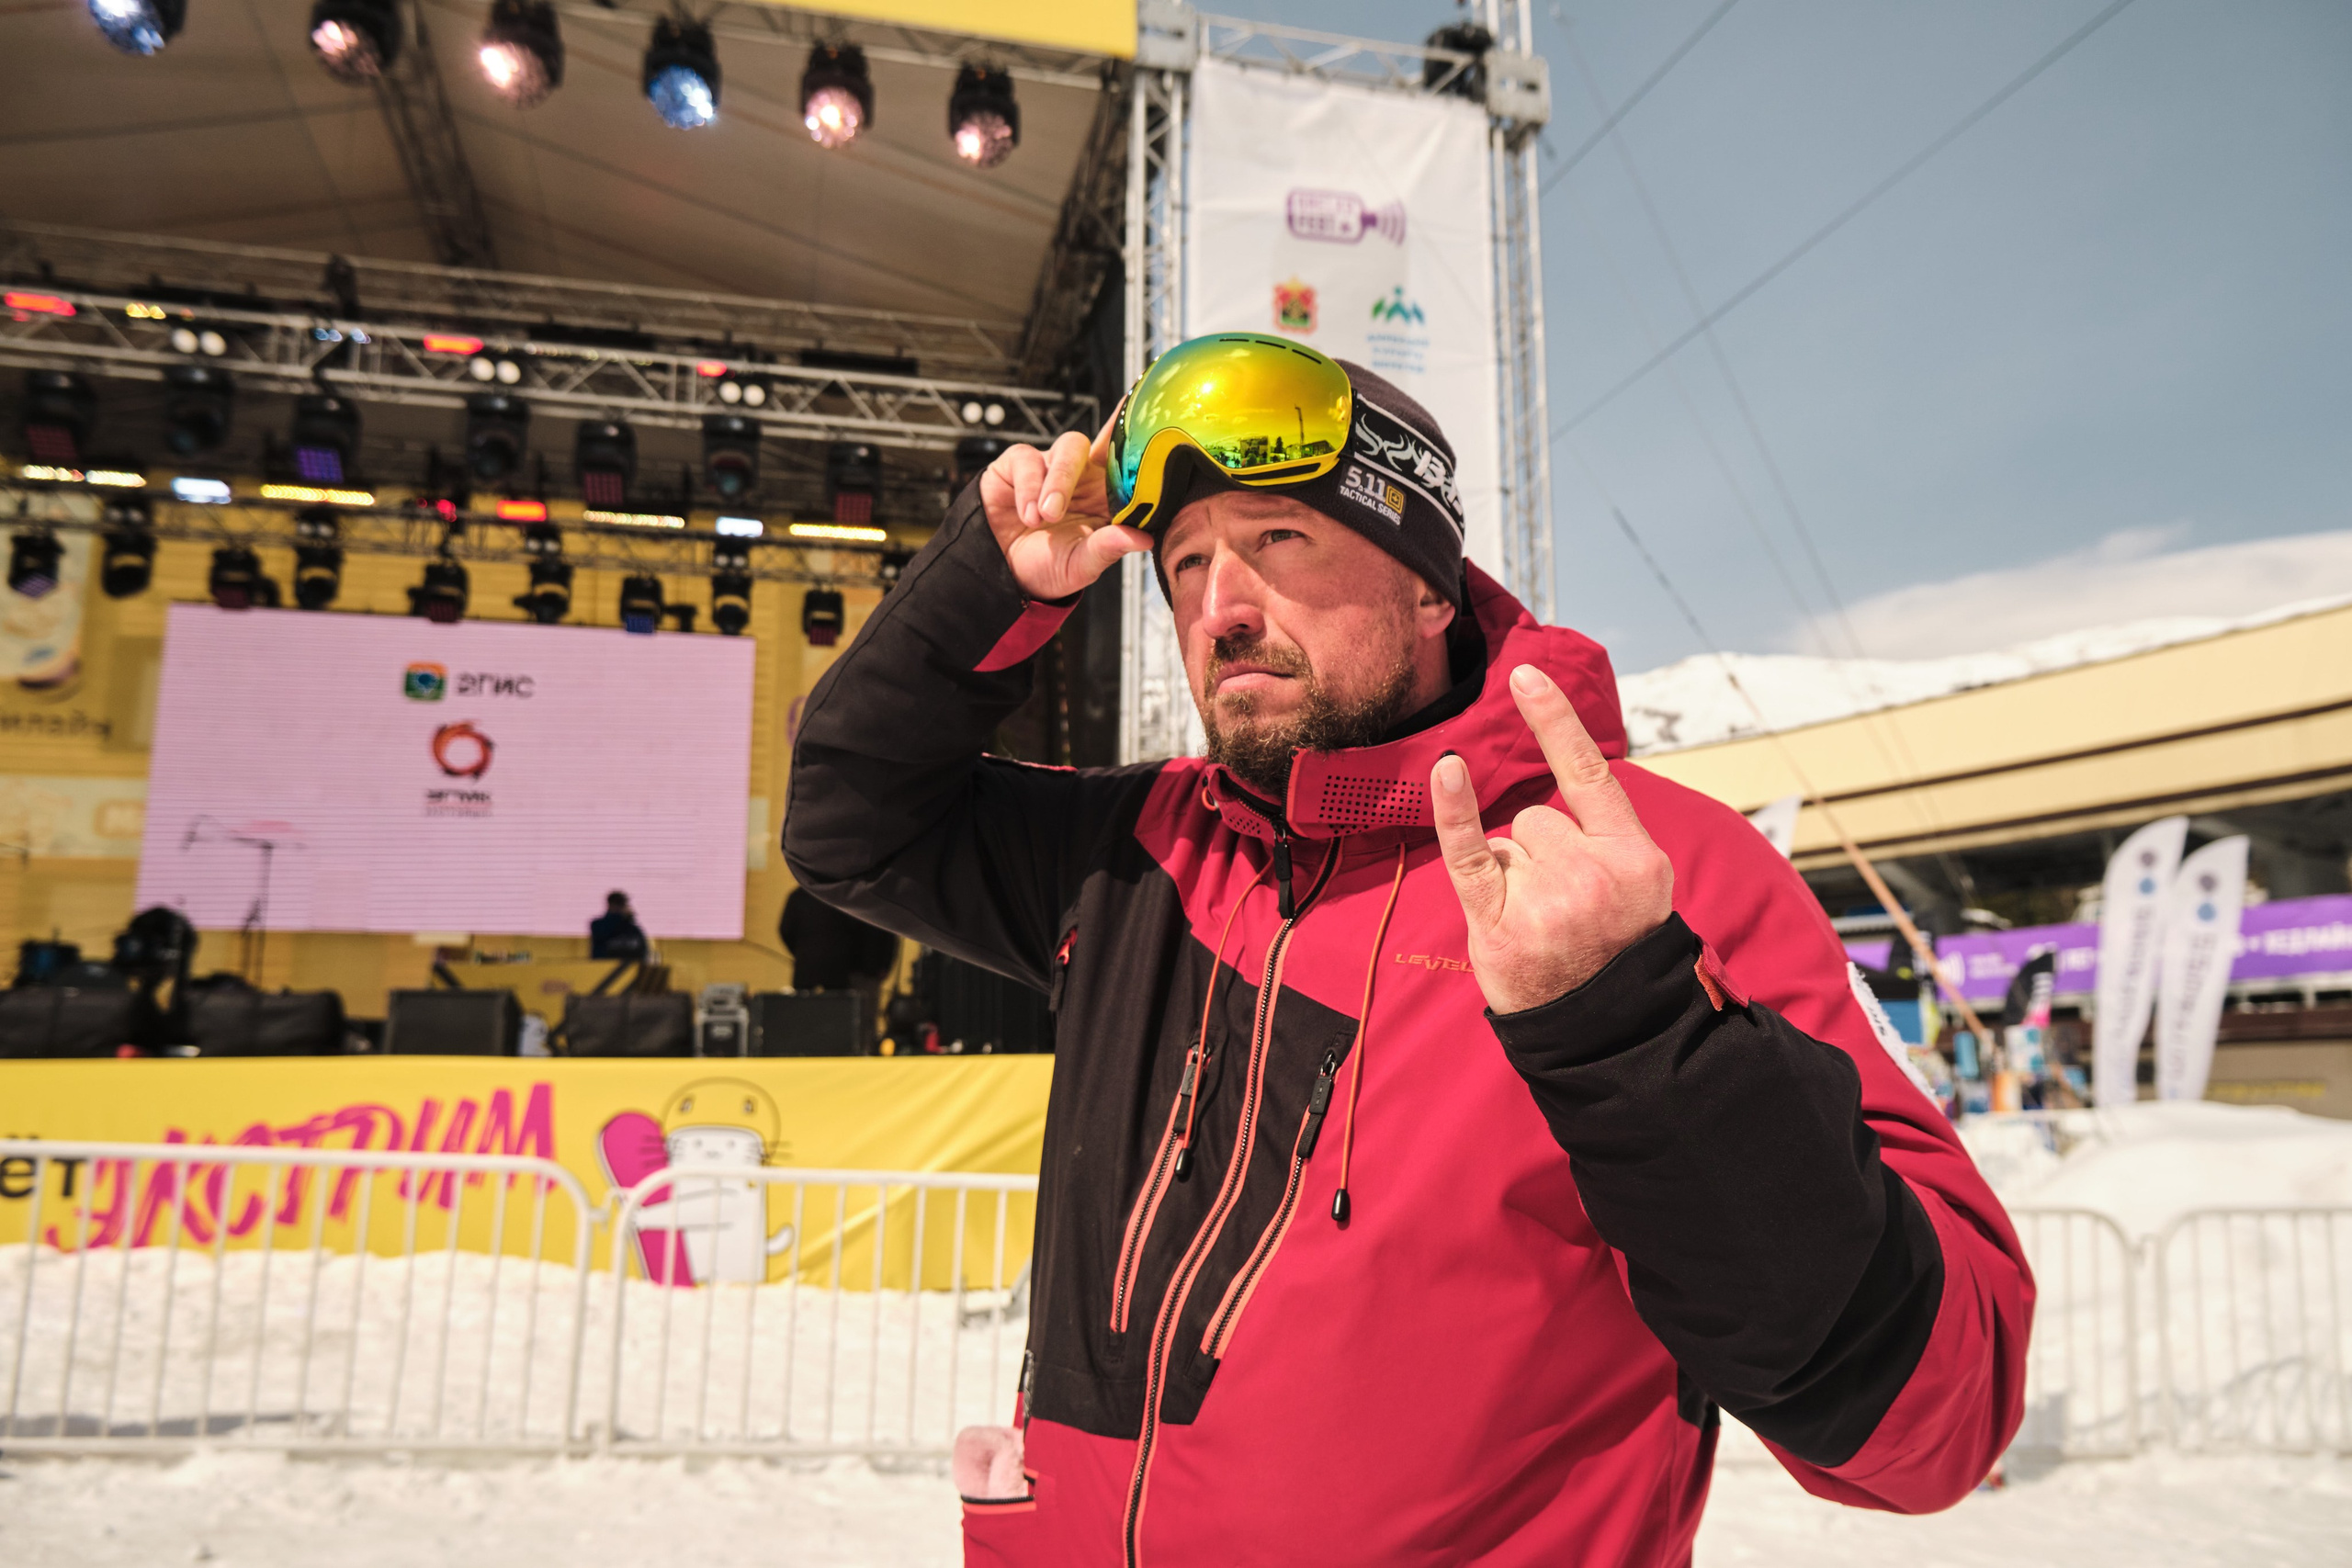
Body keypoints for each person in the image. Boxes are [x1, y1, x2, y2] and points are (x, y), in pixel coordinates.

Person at [786, 334, 2031, 1566]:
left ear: (1430, 586)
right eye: (1186, 561)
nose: (1220, 605)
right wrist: (985, 591)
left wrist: (1639, 1033)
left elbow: (1934, 1422)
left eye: (1279, 539)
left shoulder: (1644, 872)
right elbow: (851, 824)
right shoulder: (1147, 845)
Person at [779, 883, 901, 1048]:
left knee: (809, 1019)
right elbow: (857, 932)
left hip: (814, 970)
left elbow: (785, 930)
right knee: (843, 1020)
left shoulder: (800, 896)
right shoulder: (840, 896)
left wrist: (803, 955)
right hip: (839, 970)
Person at [588, 890, 647, 962]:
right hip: (603, 968)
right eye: (618, 904)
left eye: (622, 905)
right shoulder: (598, 925)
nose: (620, 908)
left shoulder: (633, 930)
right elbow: (603, 933)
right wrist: (620, 918)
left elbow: (643, 950)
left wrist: (626, 920)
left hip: (629, 969)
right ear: (610, 905)